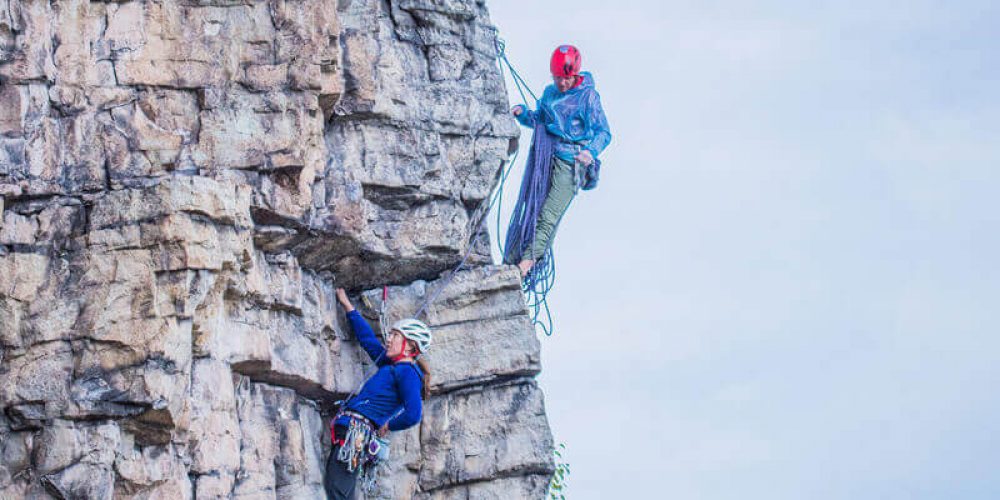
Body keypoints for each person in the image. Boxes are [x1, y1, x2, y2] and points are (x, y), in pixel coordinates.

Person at [510, 44, 612, 277]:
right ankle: (514, 258)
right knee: (532, 208)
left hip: (571, 164)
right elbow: (539, 120)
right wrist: (523, 114)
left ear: (575, 74)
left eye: (566, 78)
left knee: (549, 215)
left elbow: (603, 132)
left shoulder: (587, 97)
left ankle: (525, 265)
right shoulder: (550, 93)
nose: (562, 83)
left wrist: (590, 152)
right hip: (548, 159)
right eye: (557, 78)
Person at [325, 288, 432, 500]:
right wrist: (348, 306)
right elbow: (368, 340)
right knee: (337, 488)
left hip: (356, 433)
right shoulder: (390, 365)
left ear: (410, 346)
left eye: (395, 336)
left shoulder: (408, 373)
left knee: (337, 490)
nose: (388, 339)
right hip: (352, 432)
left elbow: (413, 414)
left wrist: (388, 425)